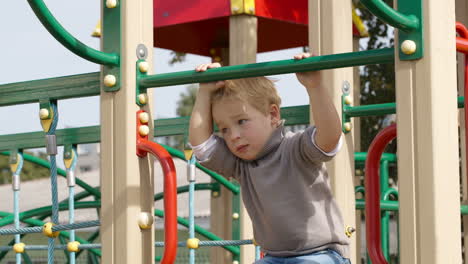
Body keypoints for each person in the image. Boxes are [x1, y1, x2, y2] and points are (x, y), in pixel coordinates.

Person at [189, 53, 351, 264]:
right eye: (224, 129)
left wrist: (315, 87)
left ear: (273, 115)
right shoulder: (241, 164)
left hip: (321, 254)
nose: (234, 135)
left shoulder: (295, 148)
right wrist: (204, 92)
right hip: (274, 257)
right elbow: (201, 145)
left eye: (242, 121)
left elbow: (329, 138)